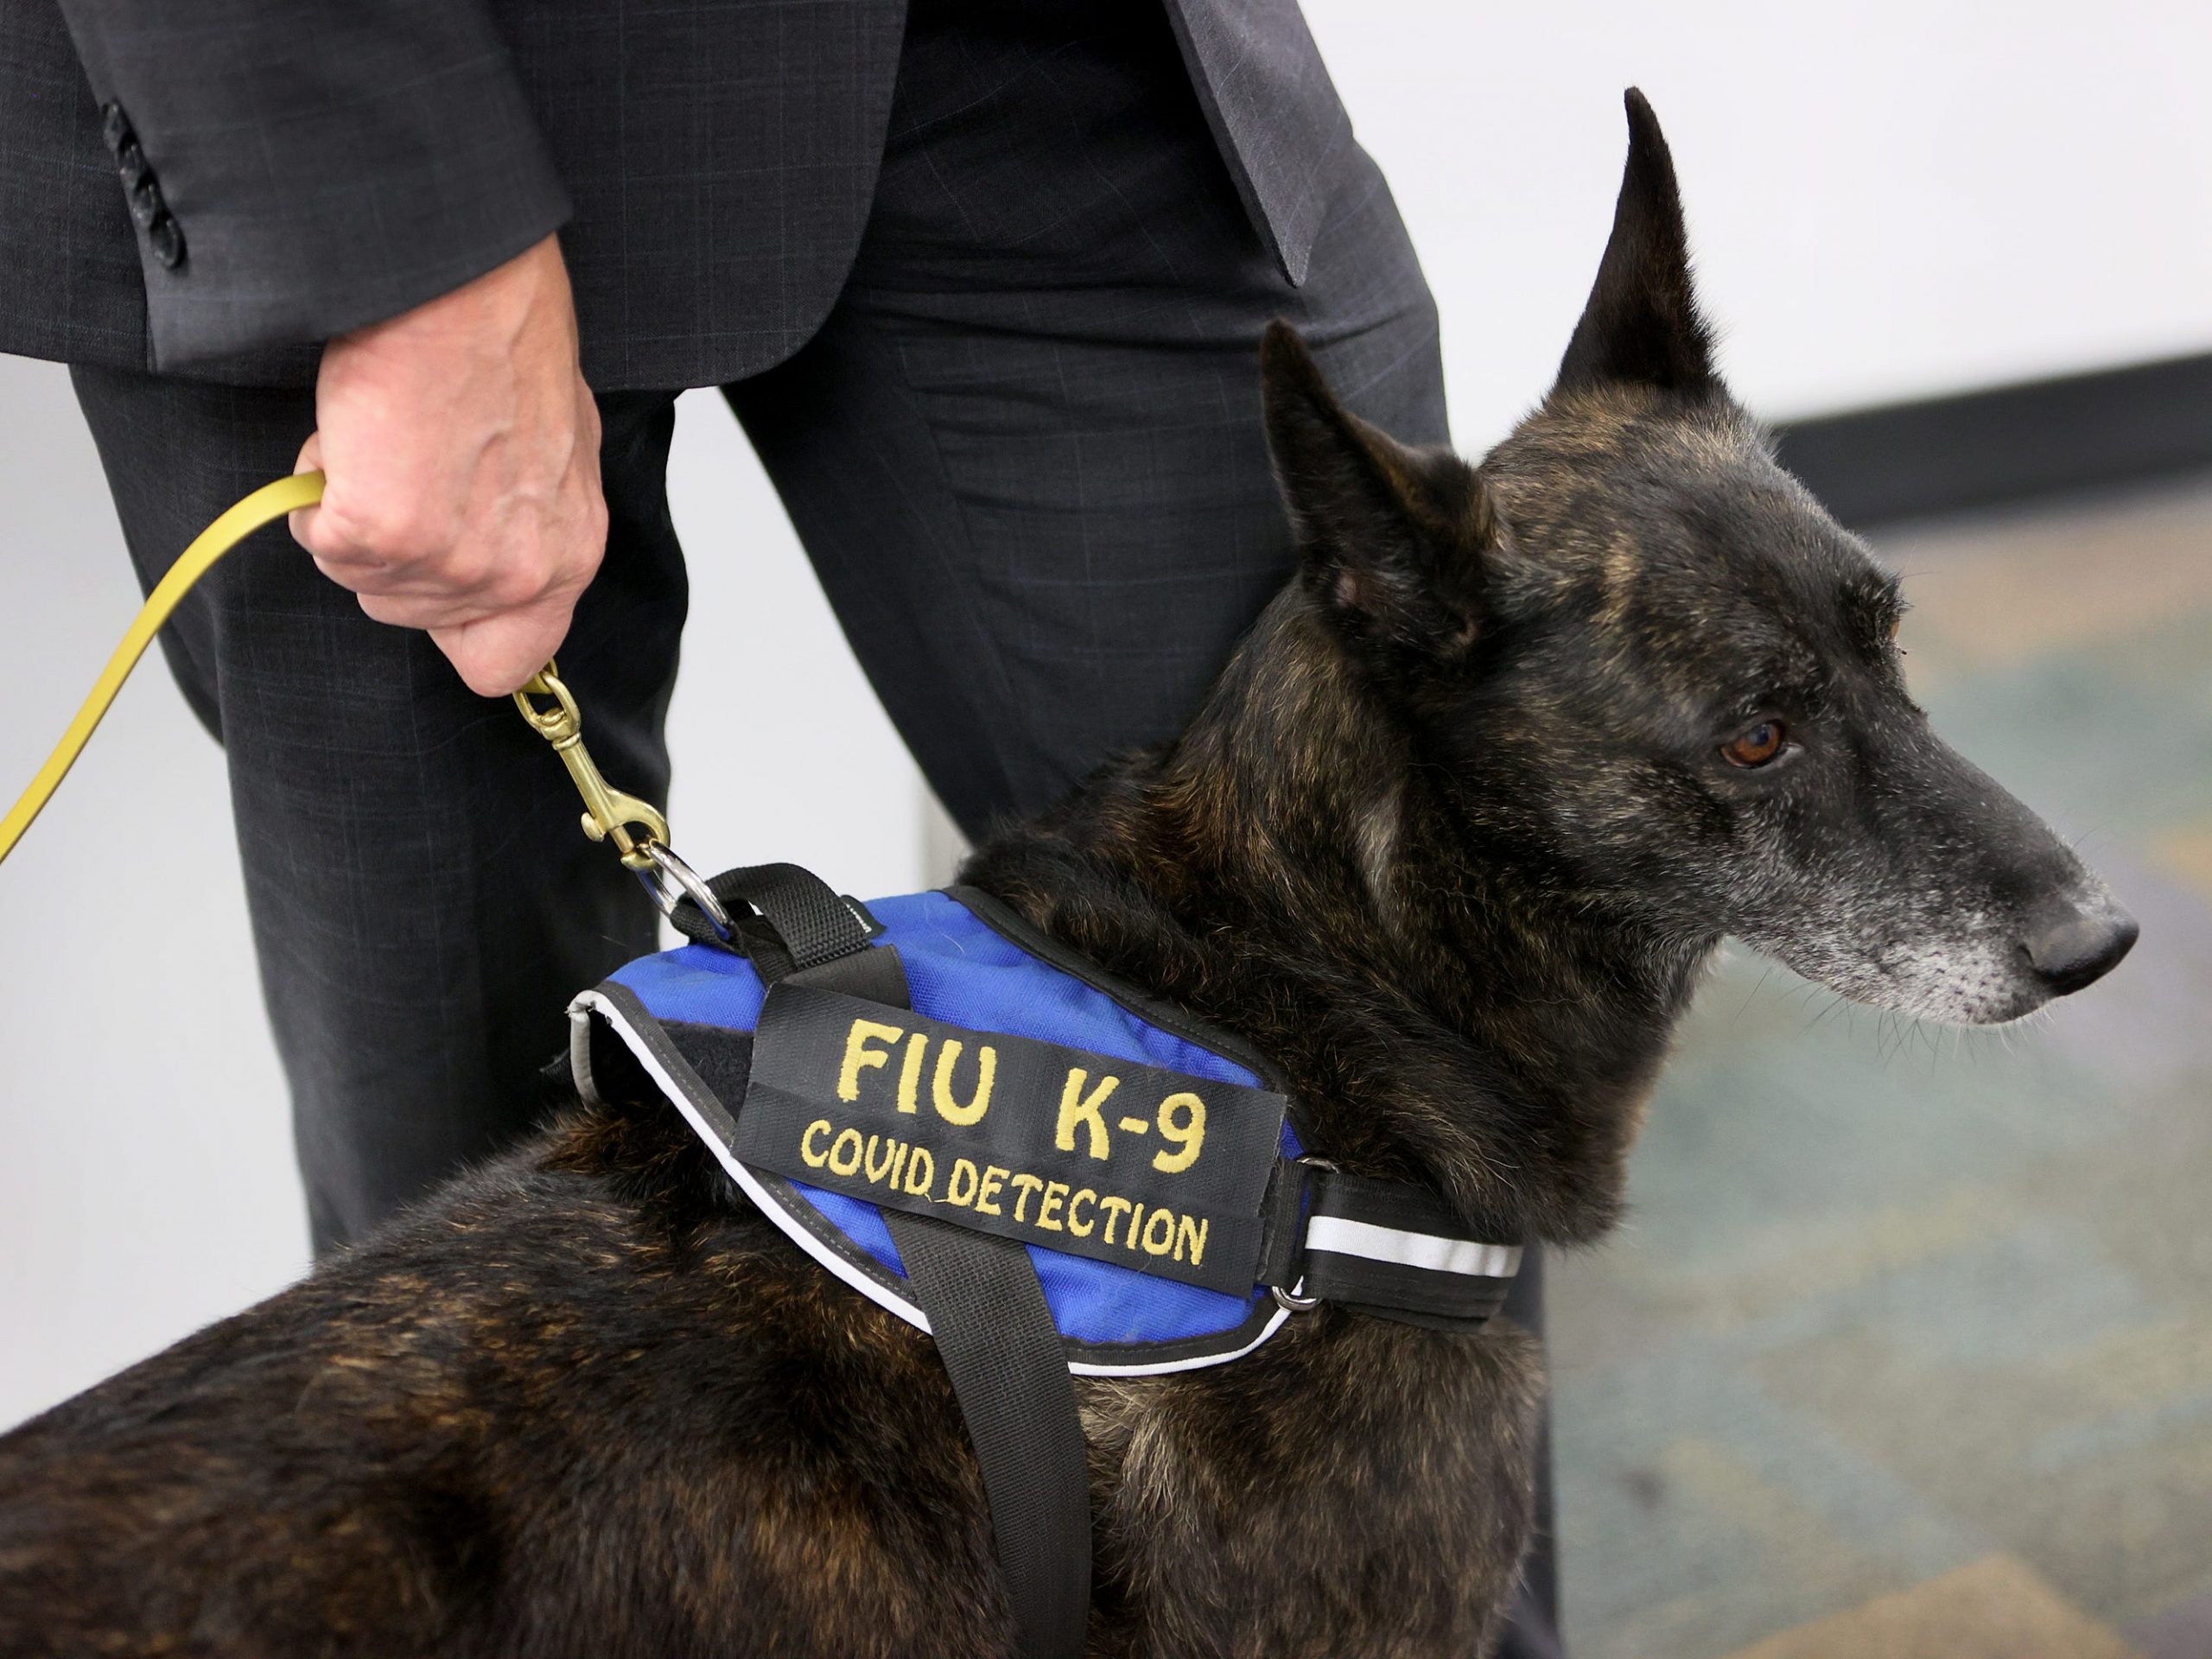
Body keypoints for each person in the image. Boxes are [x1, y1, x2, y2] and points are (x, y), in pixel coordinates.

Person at [0, 0, 1559, 1649]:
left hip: (1057, 73)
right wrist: (387, 239)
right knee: (462, 1276)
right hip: (396, 111)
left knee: (1396, 1114)